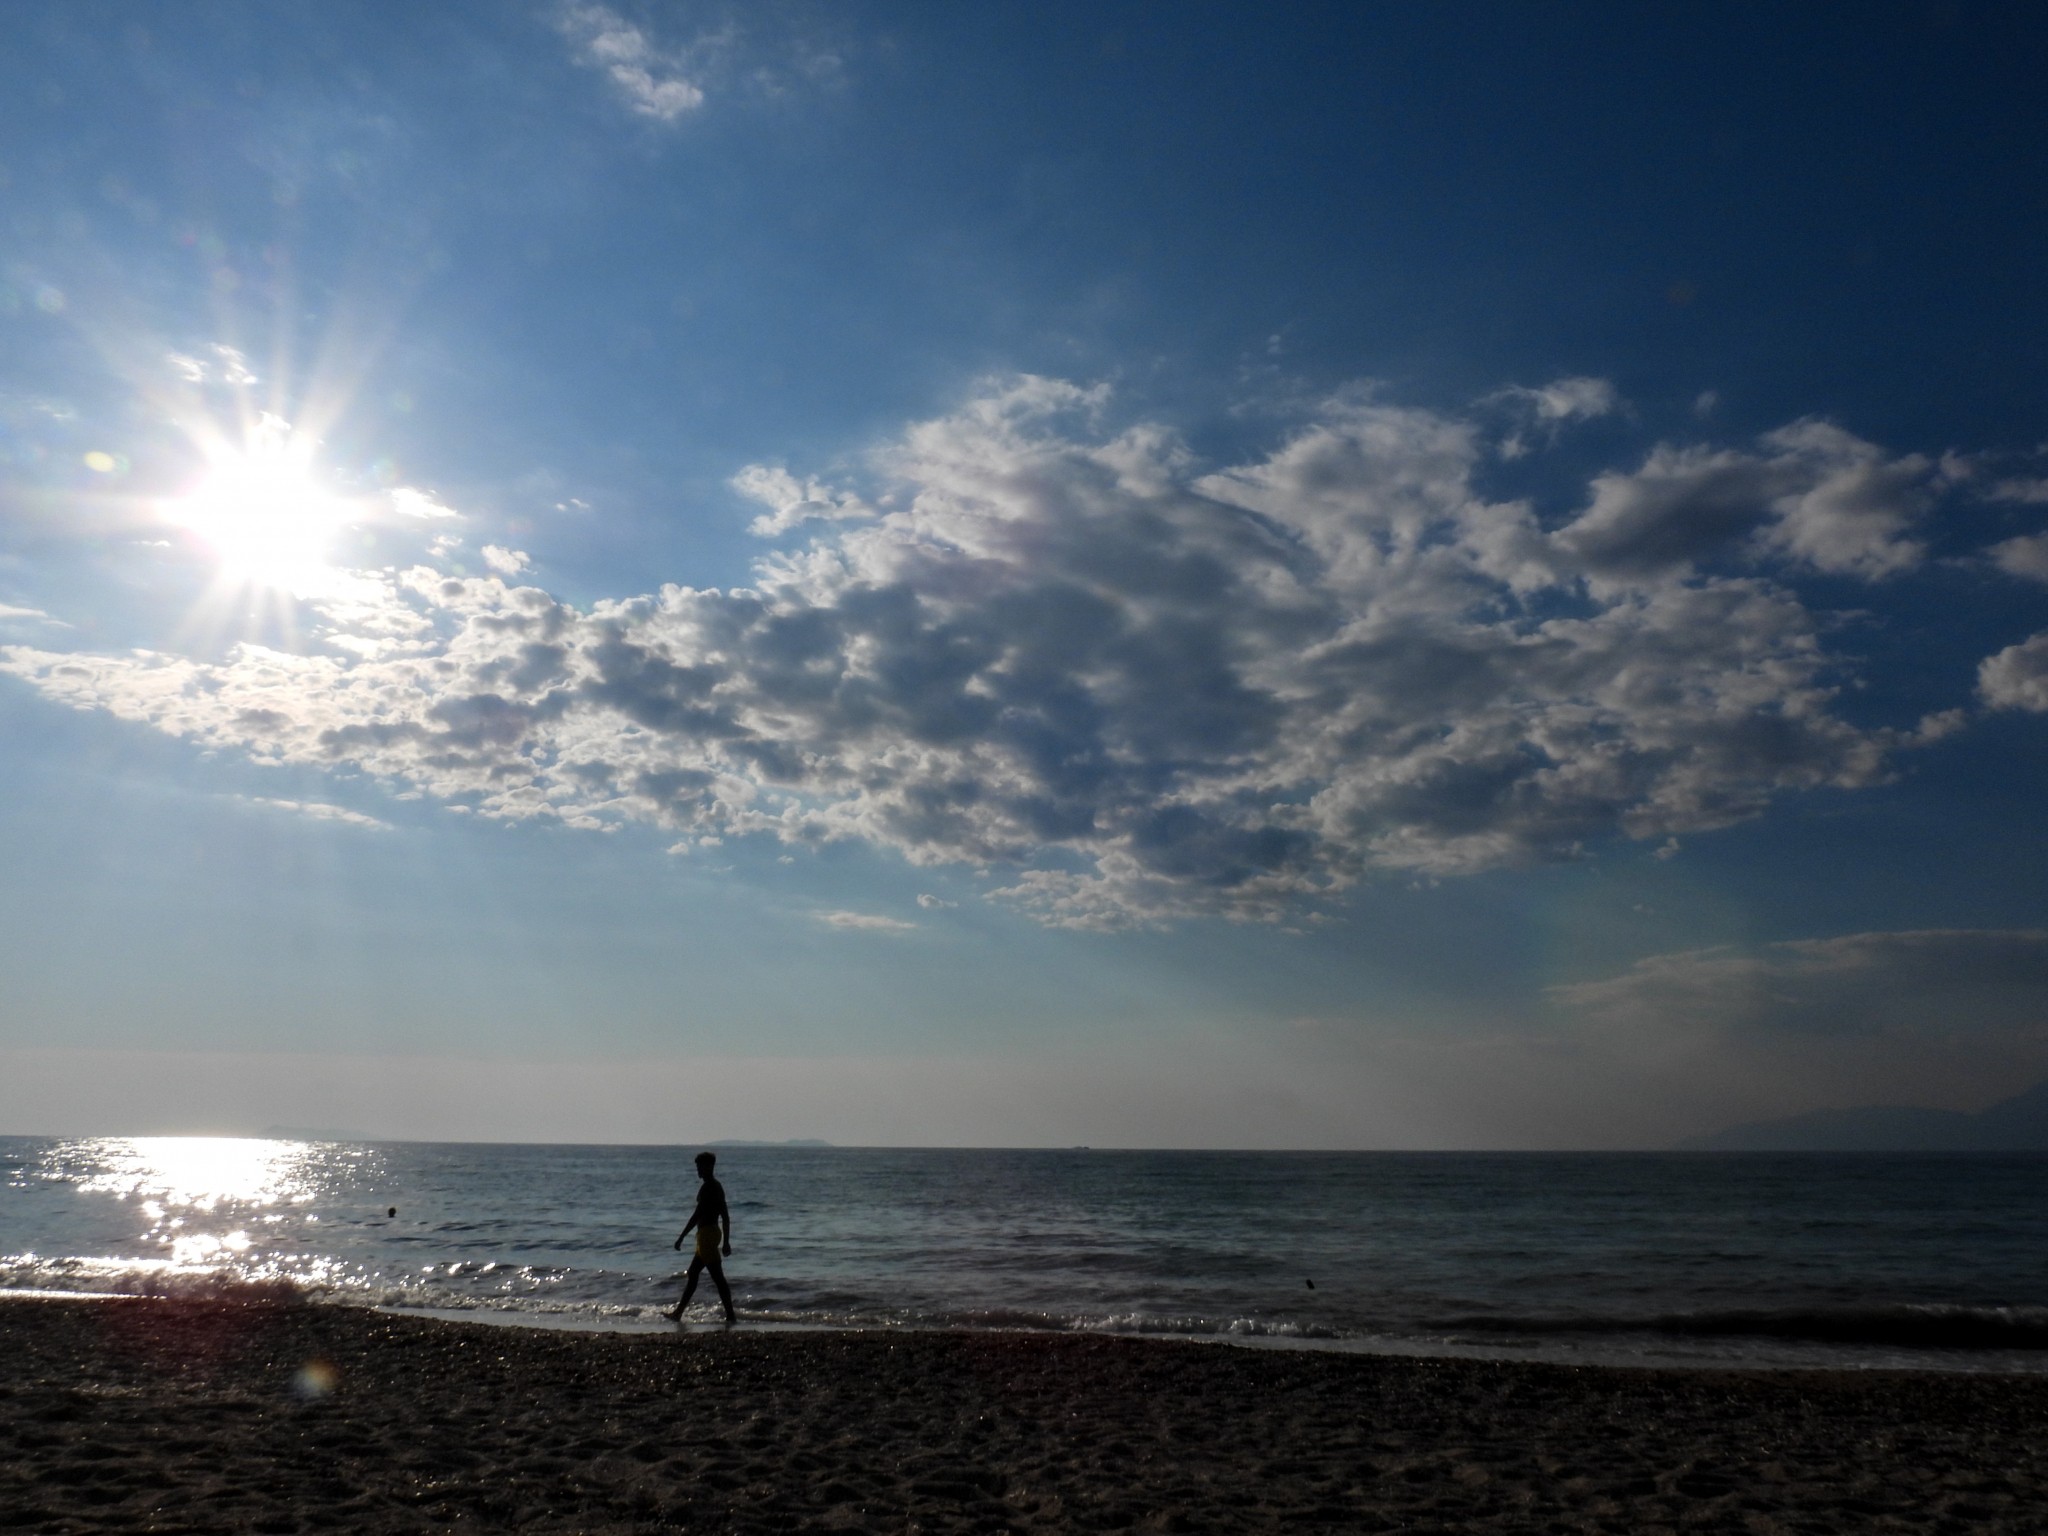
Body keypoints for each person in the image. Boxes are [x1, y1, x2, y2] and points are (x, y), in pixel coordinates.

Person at [663, 1150, 735, 1323]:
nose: (698, 1170)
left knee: (718, 1278)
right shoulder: (716, 1187)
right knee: (694, 1273)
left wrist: (681, 1237)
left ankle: (731, 1316)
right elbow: (723, 1216)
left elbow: (698, 1215)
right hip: (708, 1235)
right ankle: (678, 1313)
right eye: (697, 1167)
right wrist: (725, 1241)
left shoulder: (709, 1188)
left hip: (707, 1236)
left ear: (709, 1167)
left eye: (700, 1166)